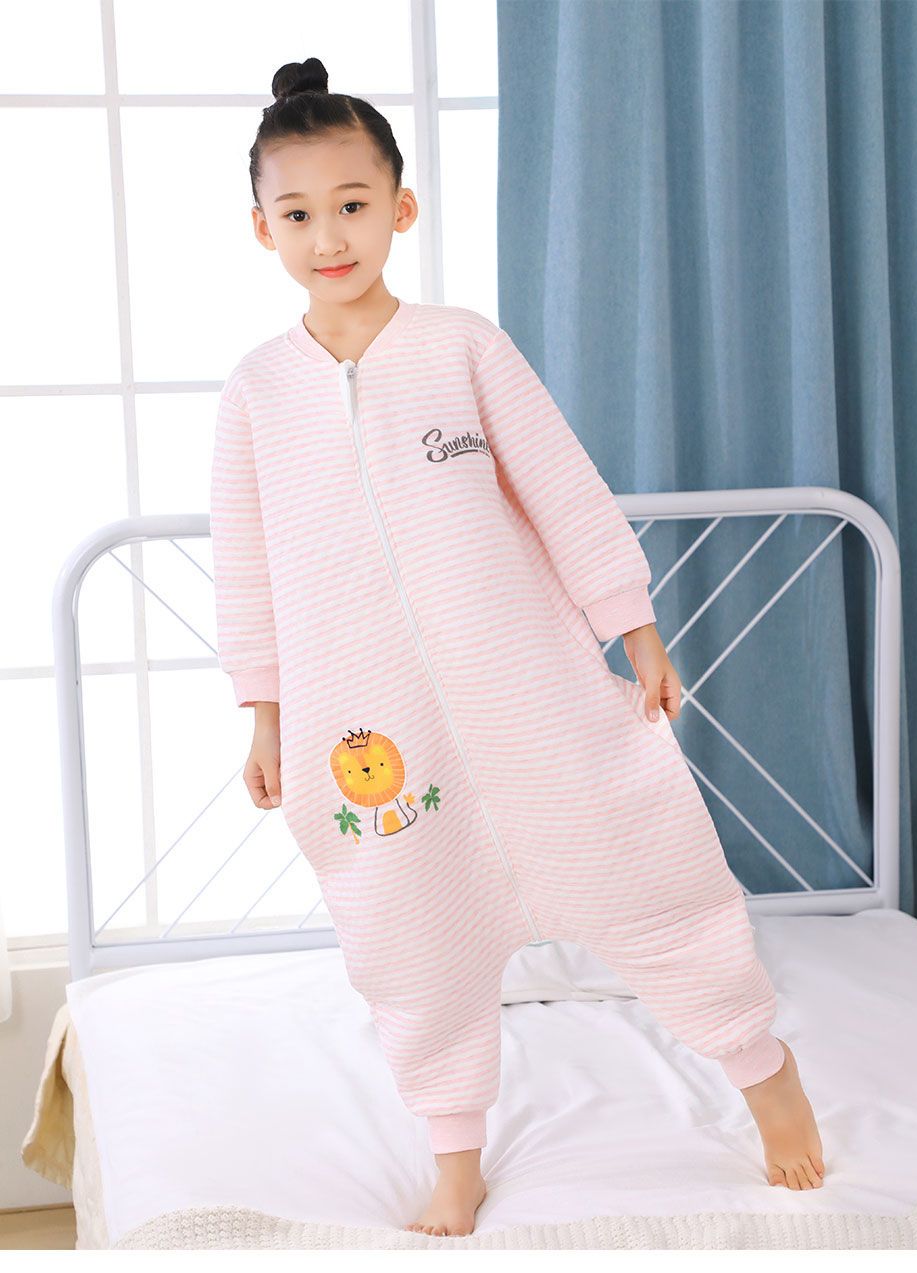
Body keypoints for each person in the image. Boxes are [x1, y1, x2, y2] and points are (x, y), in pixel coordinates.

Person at [210, 56, 825, 1239]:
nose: (328, 237)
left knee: (645, 870)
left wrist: (632, 627)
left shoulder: (460, 347)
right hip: (370, 724)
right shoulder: (256, 394)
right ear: (262, 228)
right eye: (297, 214)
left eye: (351, 204)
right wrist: (264, 713)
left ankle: (761, 1069)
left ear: (400, 207)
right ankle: (456, 1156)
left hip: (528, 691)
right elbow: (247, 565)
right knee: (412, 932)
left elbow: (562, 490)